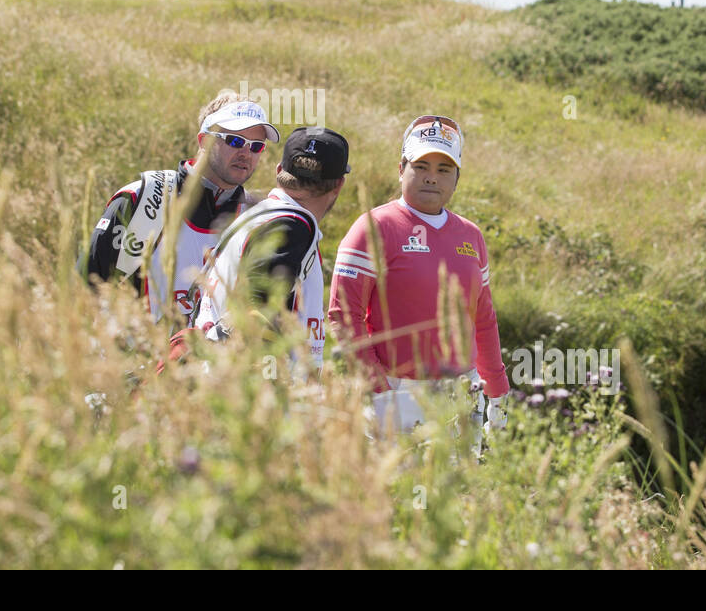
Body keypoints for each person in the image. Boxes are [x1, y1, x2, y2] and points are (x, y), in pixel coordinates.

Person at [328, 115, 508, 455]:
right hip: (397, 391)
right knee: (395, 500)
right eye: (421, 165)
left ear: (457, 178)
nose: (431, 177)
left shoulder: (471, 235)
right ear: (401, 168)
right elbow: (343, 314)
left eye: (444, 170)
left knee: (457, 501)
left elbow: (482, 318)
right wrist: (378, 386)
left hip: (462, 392)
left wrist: (497, 390)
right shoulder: (373, 227)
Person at [84, 91, 277, 323]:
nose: (246, 153)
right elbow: (85, 289)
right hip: (133, 356)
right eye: (235, 141)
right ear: (204, 140)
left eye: (256, 146)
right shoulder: (144, 197)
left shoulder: (256, 218)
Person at [188, 126, 350, 374]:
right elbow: (255, 315)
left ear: (279, 171)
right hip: (247, 397)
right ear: (339, 184)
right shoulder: (292, 226)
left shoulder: (255, 217)